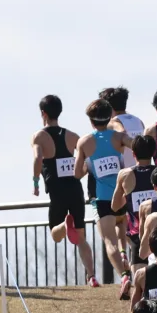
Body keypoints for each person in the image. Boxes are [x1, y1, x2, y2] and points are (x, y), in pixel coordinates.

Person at [34, 95, 100, 287]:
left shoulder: (39, 136)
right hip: (75, 189)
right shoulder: (73, 136)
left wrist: (35, 182)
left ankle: (64, 225)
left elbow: (38, 159)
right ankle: (92, 275)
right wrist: (82, 172)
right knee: (81, 236)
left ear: (43, 113)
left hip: (57, 192)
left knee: (55, 235)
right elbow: (88, 159)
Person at [79, 98, 134, 285]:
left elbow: (77, 173)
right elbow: (136, 145)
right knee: (123, 230)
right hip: (123, 195)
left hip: (102, 198)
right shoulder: (118, 137)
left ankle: (124, 276)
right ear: (109, 116)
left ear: (90, 120)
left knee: (109, 241)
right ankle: (126, 256)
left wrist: (89, 164)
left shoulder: (85, 142)